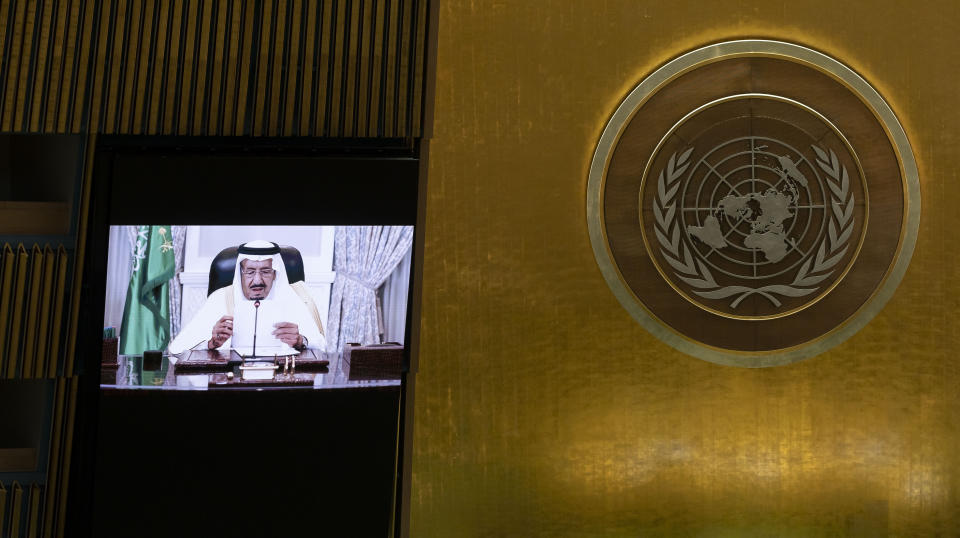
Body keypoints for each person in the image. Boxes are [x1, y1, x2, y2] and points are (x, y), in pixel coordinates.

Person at [167, 240, 324, 355]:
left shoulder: (292, 299)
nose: (257, 280)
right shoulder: (221, 298)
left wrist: (301, 341)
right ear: (239, 272)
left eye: (265, 271)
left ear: (275, 273)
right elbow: (177, 349)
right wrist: (211, 343)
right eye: (249, 272)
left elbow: (321, 347)